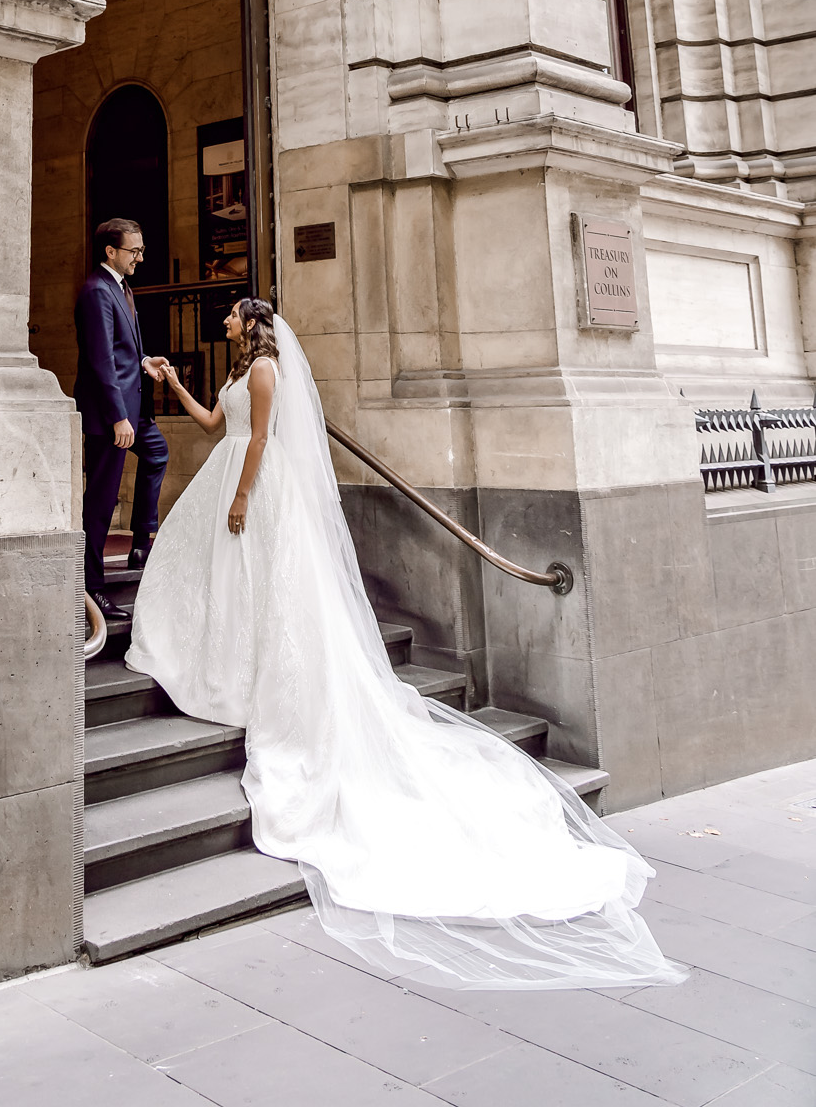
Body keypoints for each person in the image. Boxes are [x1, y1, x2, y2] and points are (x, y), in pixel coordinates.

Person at [132, 299, 686, 992]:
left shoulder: (269, 370)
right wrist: (172, 387)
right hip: (232, 482)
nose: (222, 322)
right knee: (233, 591)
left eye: (231, 318)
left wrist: (243, 497)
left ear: (253, 325)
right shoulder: (241, 372)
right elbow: (217, 425)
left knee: (274, 598)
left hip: (258, 491)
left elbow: (259, 442)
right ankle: (228, 671)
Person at [74, 216, 168, 622]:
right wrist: (117, 419)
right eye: (134, 250)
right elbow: (100, 361)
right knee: (100, 501)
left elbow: (124, 351)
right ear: (111, 251)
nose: (140, 257)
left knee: (157, 454)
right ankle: (92, 589)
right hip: (110, 417)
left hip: (134, 410)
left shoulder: (122, 288)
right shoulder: (96, 291)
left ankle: (140, 541)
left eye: (141, 250)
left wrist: (145, 361)